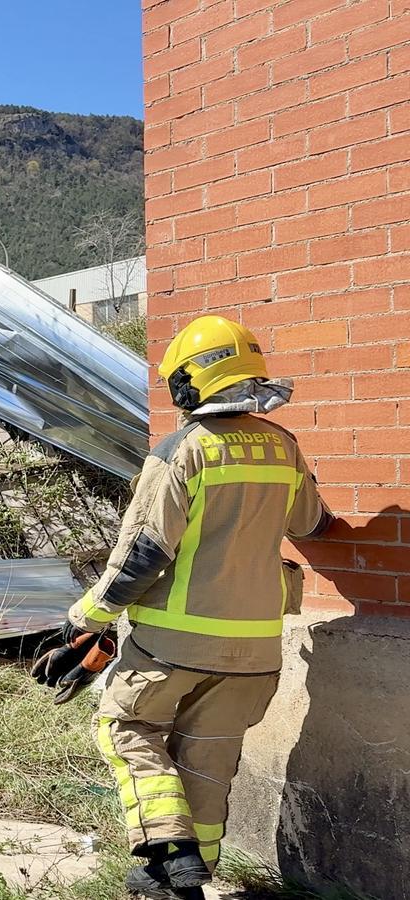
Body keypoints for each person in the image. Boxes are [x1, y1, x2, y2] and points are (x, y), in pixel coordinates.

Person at [47, 315, 331, 900]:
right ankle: (174, 878)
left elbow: (142, 553)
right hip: (255, 648)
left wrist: (87, 619)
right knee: (209, 758)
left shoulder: (183, 451)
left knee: (125, 726)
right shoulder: (284, 447)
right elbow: (311, 523)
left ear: (192, 382)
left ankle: (169, 846)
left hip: (172, 641)